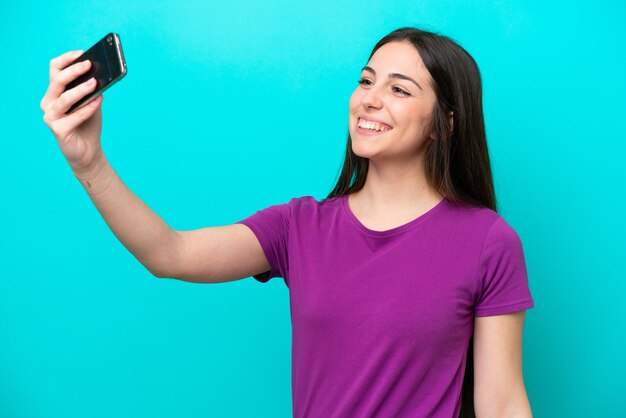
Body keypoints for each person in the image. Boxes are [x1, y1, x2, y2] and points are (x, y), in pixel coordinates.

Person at [41, 27, 534, 418]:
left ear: (444, 123)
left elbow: (503, 406)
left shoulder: (487, 242)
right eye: (366, 80)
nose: (370, 98)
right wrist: (89, 162)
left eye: (399, 89)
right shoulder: (299, 227)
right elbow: (170, 253)